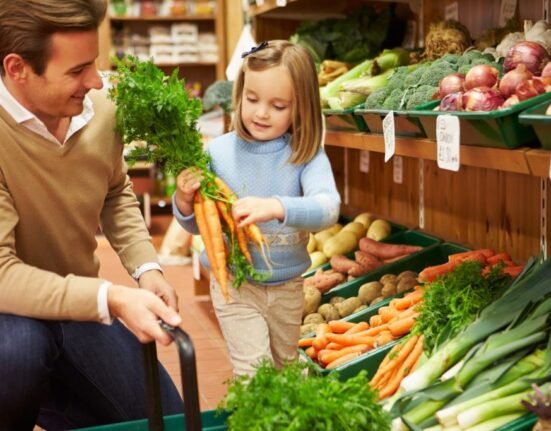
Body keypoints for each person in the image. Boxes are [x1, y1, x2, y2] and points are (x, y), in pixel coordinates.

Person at [0, 0, 184, 429]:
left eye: (95, 63)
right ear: (17, 68)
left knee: (168, 420)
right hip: (9, 315)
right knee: (18, 353)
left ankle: (57, 396)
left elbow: (115, 190)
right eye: (77, 70)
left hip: (76, 306)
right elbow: (3, 276)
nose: (97, 80)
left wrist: (147, 266)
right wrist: (113, 298)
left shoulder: (100, 108)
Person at [173, 40, 341, 376]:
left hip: (289, 288)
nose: (261, 112)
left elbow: (328, 209)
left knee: (285, 371)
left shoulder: (305, 155)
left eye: (278, 105)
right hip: (235, 286)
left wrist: (277, 207)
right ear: (239, 95)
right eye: (252, 100)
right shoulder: (216, 153)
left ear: (301, 109)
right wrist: (183, 200)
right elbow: (197, 226)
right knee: (255, 375)